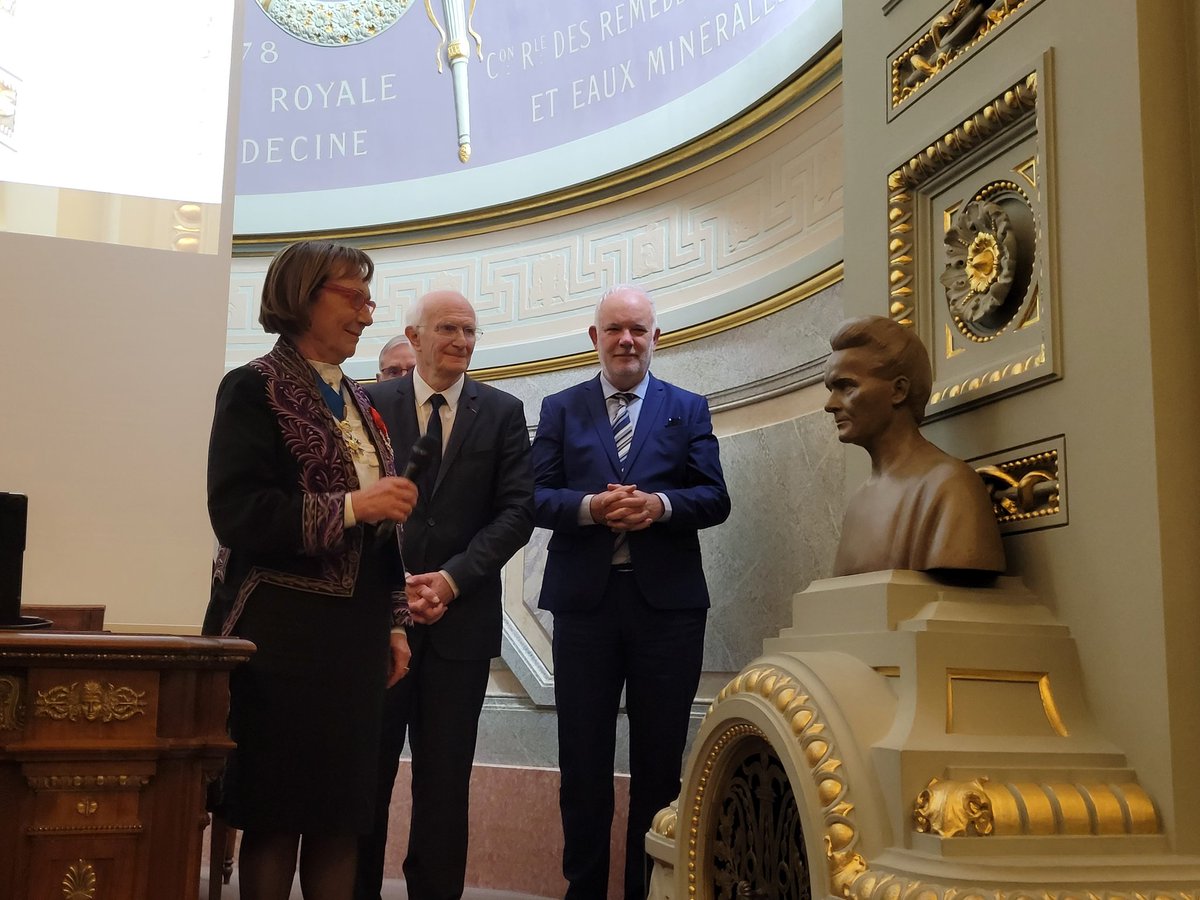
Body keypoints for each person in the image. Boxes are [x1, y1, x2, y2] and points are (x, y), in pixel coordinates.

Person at [202, 240, 419, 900]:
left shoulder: (360, 400)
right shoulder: (252, 387)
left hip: (354, 640)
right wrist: (354, 505)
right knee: (275, 817)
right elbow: (238, 514)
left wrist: (395, 623)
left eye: (369, 301)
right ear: (303, 296)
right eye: (354, 298)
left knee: (339, 820)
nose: (366, 314)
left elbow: (380, 537)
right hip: (281, 636)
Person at [532, 284, 730, 900]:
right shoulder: (561, 407)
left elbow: (715, 497)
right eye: (614, 329)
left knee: (659, 764)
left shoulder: (688, 407)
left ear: (655, 338)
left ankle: (649, 891)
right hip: (584, 609)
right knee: (582, 763)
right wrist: (591, 507)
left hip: (667, 613)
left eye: (638, 330)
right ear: (595, 338)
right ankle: (584, 891)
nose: (626, 340)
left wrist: (660, 506)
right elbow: (533, 496)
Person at [355, 290, 535, 900]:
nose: (461, 341)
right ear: (415, 336)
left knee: (445, 782)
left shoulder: (503, 411)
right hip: (379, 624)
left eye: (470, 331)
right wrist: (399, 585)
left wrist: (451, 580)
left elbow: (517, 512)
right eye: (448, 329)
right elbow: (358, 506)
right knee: (367, 776)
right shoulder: (370, 404)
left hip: (461, 626)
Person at [823, 315, 1005, 577]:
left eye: (846, 387)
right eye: (831, 389)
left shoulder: (950, 487)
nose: (830, 405)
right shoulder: (858, 503)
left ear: (899, 390)